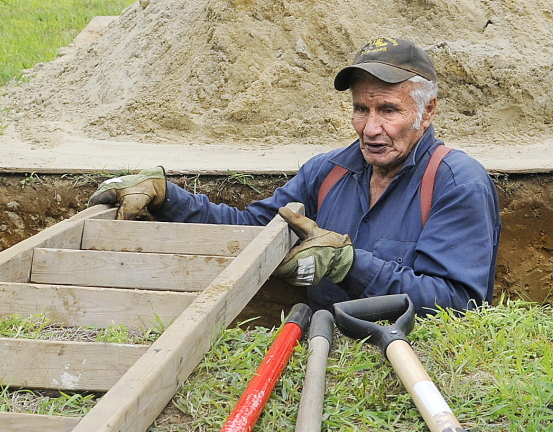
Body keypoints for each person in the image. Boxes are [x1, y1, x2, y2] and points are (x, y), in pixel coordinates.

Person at [89, 37, 501, 315]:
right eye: (361, 109)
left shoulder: (456, 182)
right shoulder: (328, 171)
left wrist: (348, 264)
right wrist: (168, 197)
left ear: (426, 112)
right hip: (316, 342)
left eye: (389, 111)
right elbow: (254, 231)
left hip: (399, 358)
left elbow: (458, 303)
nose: (370, 128)